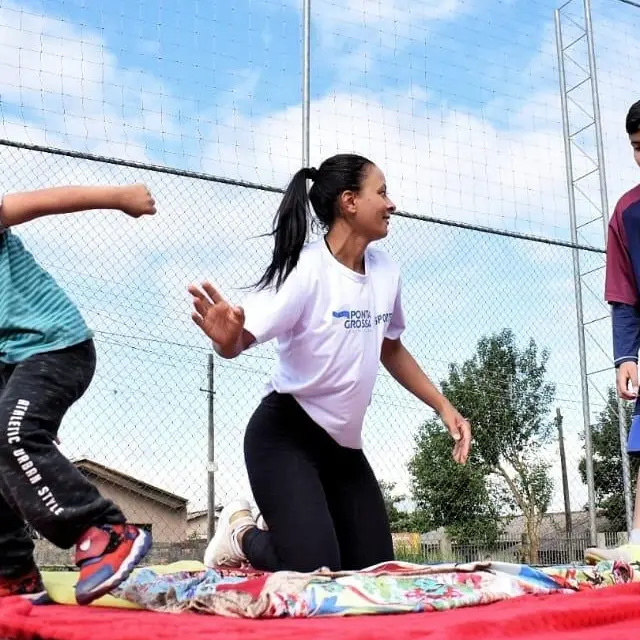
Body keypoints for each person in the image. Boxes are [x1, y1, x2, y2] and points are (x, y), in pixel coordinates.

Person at [189, 153, 472, 573]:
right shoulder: (305, 270)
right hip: (285, 437)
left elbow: (390, 346)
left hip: (344, 449)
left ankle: (285, 527)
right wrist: (226, 339)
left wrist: (444, 406)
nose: (391, 203)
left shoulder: (386, 271)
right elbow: (236, 341)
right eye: (382, 192)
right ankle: (241, 533)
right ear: (349, 201)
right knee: (316, 570)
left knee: (374, 573)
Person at [0, 183, 156, 604]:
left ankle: (105, 531)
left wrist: (119, 198)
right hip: (14, 363)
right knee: (7, 438)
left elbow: (37, 203)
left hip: (57, 347)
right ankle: (12, 571)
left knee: (12, 432)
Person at [585, 100, 640, 564]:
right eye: (638, 148)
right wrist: (626, 356)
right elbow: (624, 294)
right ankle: (638, 550)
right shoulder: (627, 212)